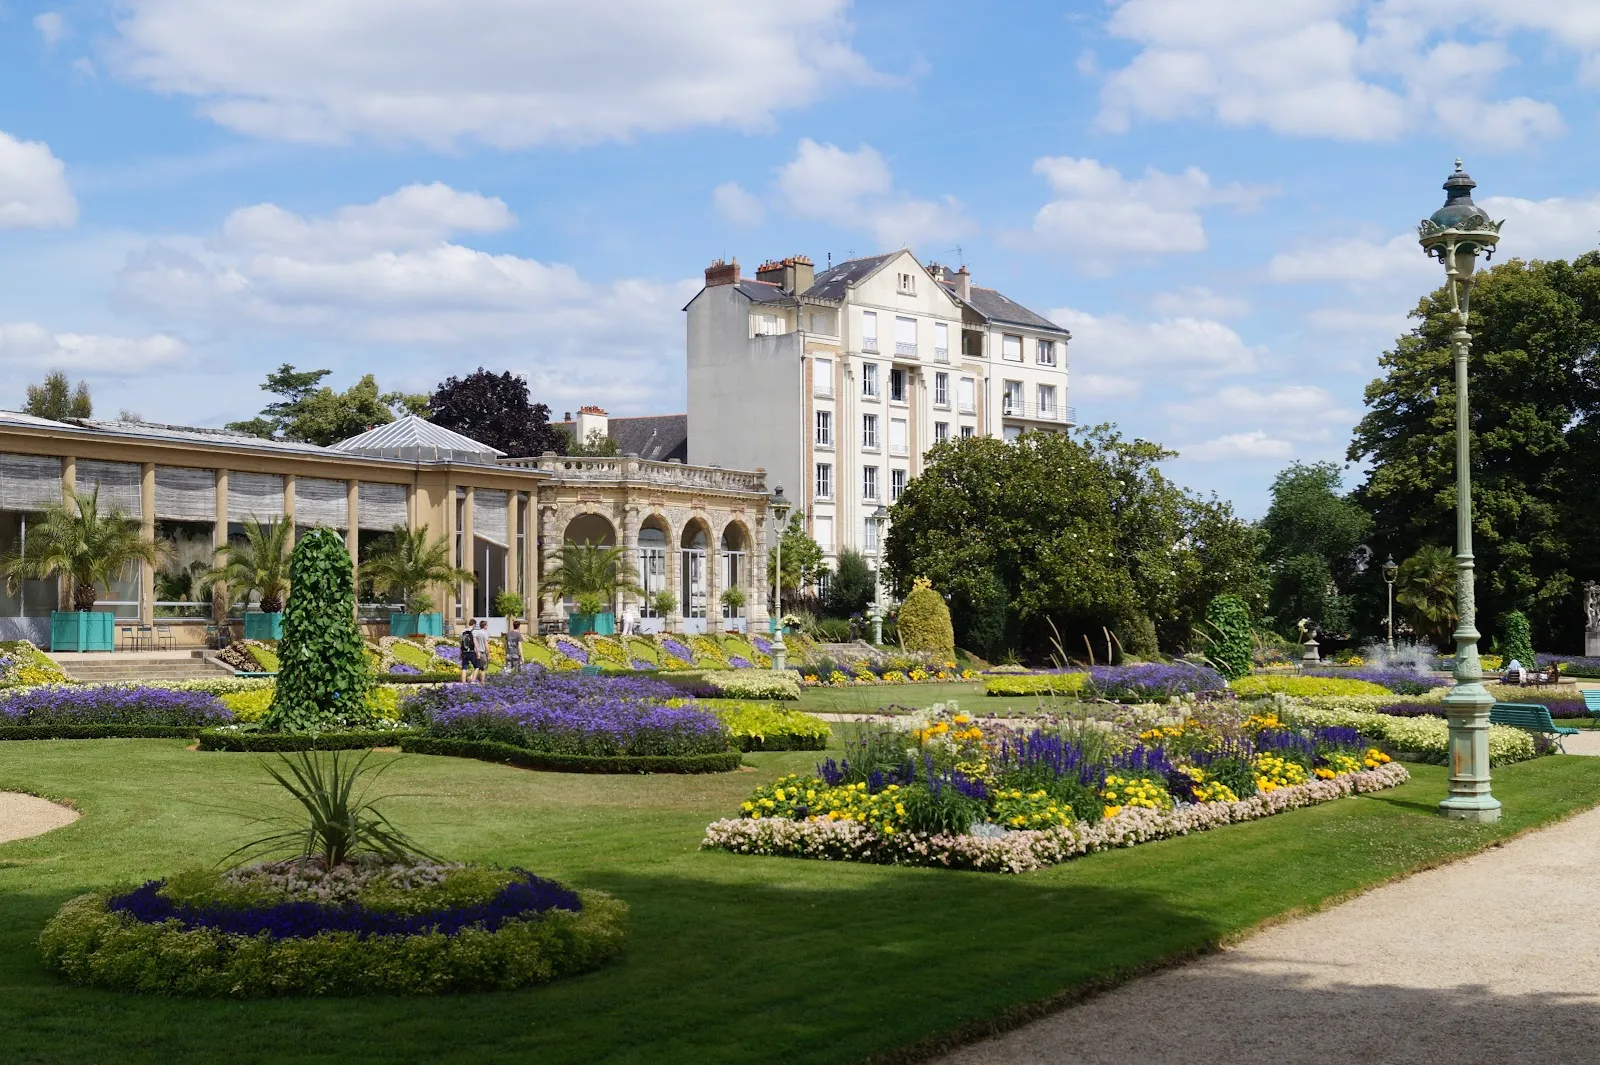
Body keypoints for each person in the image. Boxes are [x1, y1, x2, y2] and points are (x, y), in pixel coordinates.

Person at [473, 618, 490, 683]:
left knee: (476, 667)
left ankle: (472, 679)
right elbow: (486, 644)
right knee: (483, 669)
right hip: (482, 652)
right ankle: (482, 682)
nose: (487, 626)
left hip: (476, 652)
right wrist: (488, 654)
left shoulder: (477, 633)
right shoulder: (485, 633)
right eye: (487, 625)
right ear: (484, 626)